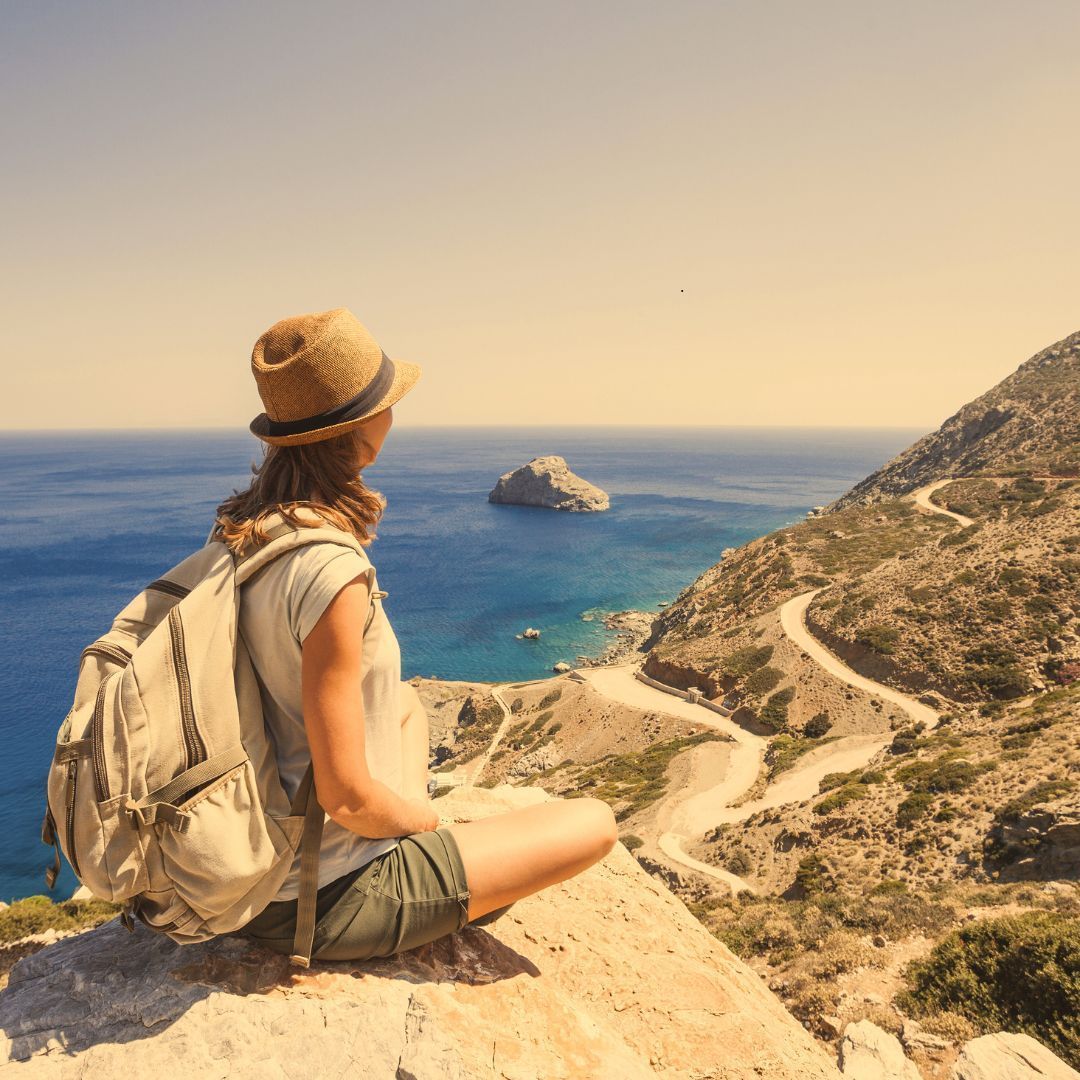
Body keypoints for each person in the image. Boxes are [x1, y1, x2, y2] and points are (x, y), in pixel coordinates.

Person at [216, 307, 618, 962]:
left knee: (402, 704)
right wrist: (424, 823)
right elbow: (344, 796)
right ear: (363, 429)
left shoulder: (243, 532)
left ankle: (402, 845)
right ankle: (410, 861)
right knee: (593, 824)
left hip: (252, 858)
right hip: (320, 897)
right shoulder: (331, 570)